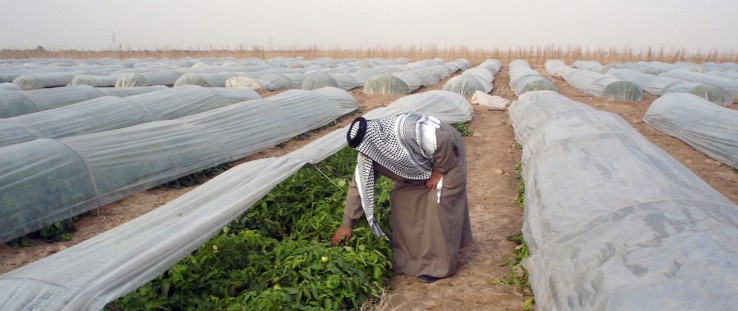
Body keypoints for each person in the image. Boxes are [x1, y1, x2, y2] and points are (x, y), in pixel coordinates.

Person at [330, 112, 473, 283]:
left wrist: (439, 171)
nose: (361, 154)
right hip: (418, 167)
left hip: (446, 156)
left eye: (363, 149)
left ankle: (438, 266)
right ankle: (412, 259)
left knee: (439, 202)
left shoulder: (405, 131)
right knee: (400, 198)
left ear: (372, 141)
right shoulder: (370, 152)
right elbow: (358, 186)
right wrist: (347, 224)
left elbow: (444, 142)